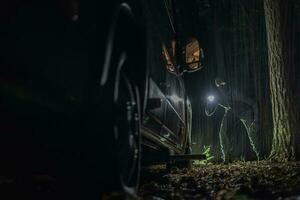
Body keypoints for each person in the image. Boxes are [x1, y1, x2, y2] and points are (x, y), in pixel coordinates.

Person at [205, 78, 260, 163]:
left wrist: (256, 121)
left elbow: (253, 104)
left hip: (245, 111)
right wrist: (209, 103)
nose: (220, 87)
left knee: (252, 132)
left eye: (222, 85)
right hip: (232, 111)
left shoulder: (236, 92)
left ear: (226, 84)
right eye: (218, 86)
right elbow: (208, 113)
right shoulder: (218, 96)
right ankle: (226, 158)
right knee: (222, 132)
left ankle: (259, 155)